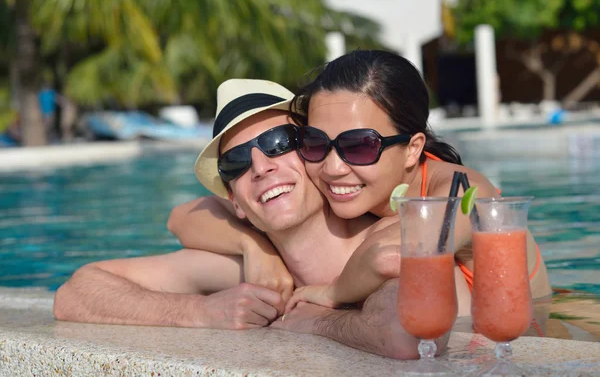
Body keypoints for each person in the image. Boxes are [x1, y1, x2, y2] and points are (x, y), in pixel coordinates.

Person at [54, 79, 455, 359]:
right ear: (237, 201)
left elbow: (408, 331)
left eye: (279, 144)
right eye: (237, 161)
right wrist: (199, 312)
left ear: (315, 153)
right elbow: (76, 292)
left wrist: (315, 323)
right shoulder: (253, 270)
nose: (260, 167)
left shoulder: (386, 233)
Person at [169, 51, 552, 308]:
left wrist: (329, 294)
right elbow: (184, 217)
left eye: (359, 146)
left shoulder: (465, 190)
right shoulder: (359, 192)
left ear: (413, 148)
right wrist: (256, 247)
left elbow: (392, 256)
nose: (333, 167)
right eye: (316, 142)